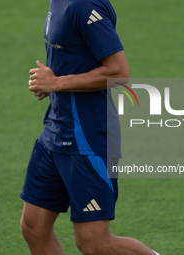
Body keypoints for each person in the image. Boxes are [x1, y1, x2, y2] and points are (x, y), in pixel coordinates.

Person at [20, 0, 161, 254]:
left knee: (94, 244)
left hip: (86, 137)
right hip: (55, 130)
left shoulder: (84, 5)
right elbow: (74, 52)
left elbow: (119, 72)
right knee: (33, 226)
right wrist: (49, 81)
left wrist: (57, 83)